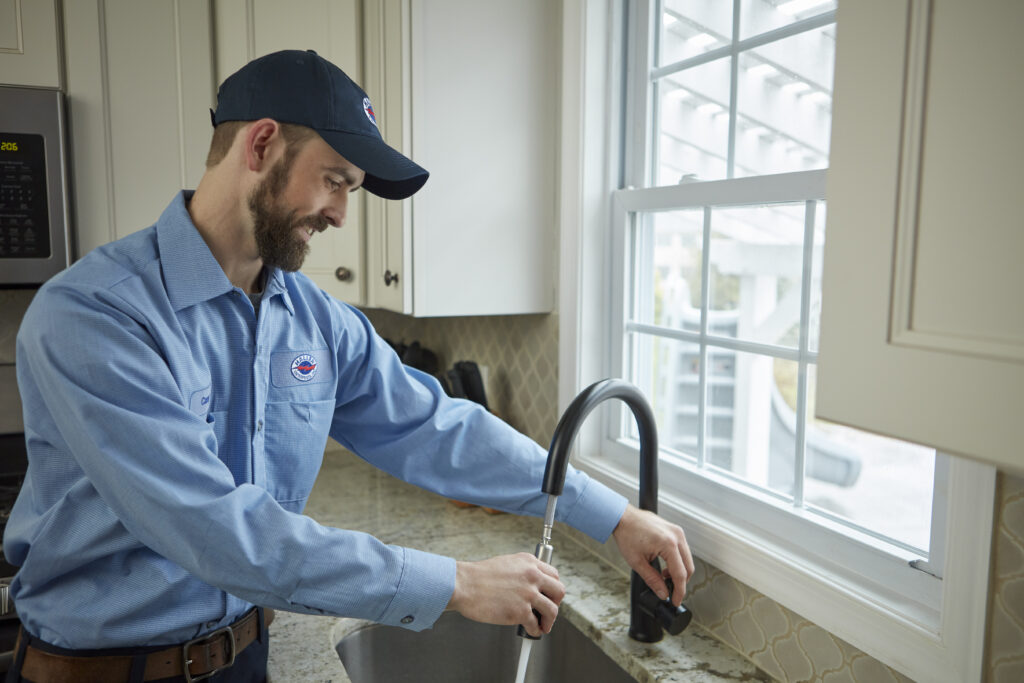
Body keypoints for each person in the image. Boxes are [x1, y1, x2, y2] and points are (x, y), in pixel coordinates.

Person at [4, 50, 693, 683]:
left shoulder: (314, 319)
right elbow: (217, 530)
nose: (338, 213)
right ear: (262, 144)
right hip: (103, 673)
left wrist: (613, 515)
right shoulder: (95, 315)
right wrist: (458, 582)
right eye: (333, 180)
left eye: (351, 190)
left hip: (245, 657)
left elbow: (433, 427)